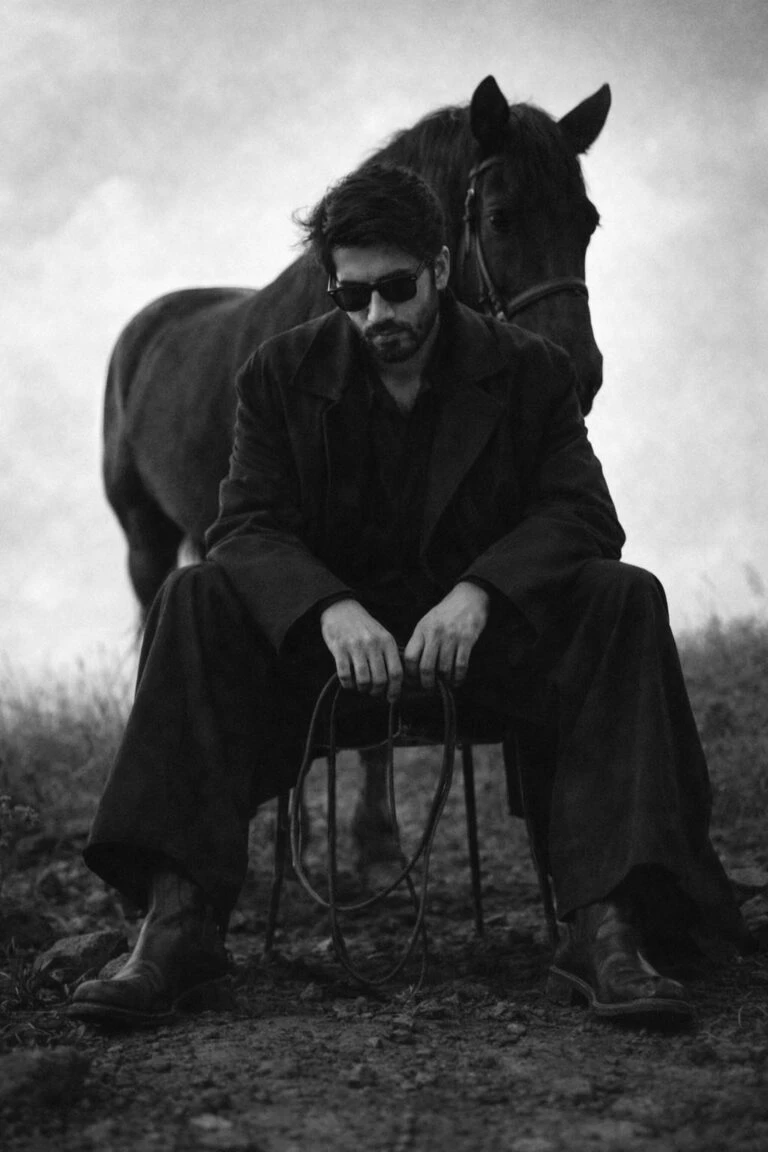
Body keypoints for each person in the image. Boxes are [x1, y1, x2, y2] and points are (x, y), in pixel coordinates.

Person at [69, 163, 748, 1028]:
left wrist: (481, 592)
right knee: (194, 599)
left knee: (625, 598)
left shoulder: (530, 368)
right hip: (328, 660)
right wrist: (324, 607)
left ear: (438, 265)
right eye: (353, 296)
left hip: (483, 648)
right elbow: (244, 524)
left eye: (397, 288)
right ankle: (178, 926)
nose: (377, 315)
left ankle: (607, 926)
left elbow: (582, 512)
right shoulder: (277, 374)